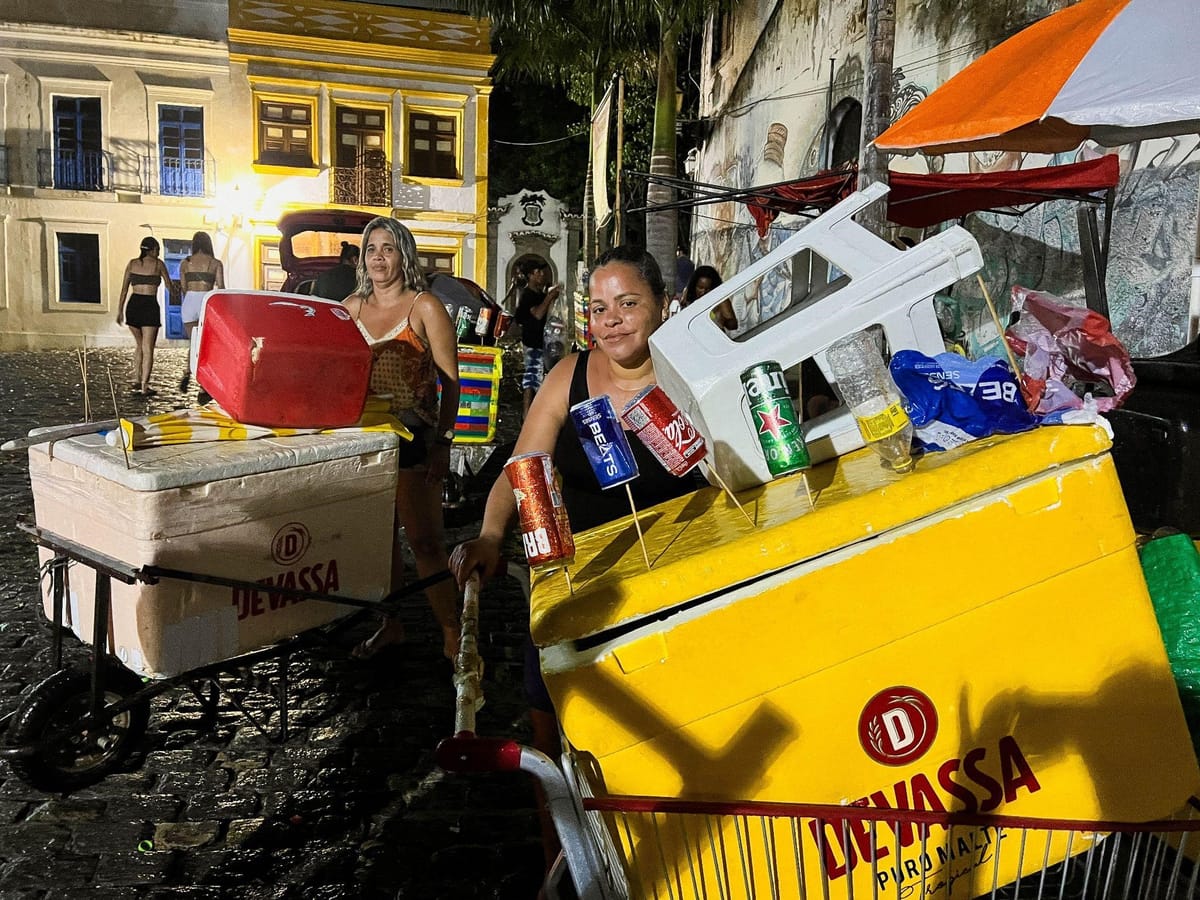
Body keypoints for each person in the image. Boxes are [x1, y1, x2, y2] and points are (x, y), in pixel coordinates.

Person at [449, 245, 701, 880]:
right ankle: (561, 864)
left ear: (661, 306)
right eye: (598, 307)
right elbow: (522, 465)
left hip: (671, 587)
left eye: (628, 303)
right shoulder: (570, 374)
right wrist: (488, 534)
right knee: (554, 745)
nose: (611, 320)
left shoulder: (691, 374)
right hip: (571, 586)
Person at [343, 216, 461, 661]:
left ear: (403, 255)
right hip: (365, 440)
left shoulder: (424, 307)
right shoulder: (350, 308)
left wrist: (443, 444)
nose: (378, 257)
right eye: (371, 248)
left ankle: (453, 634)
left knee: (427, 543)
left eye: (388, 248)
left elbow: (452, 381)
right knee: (381, 543)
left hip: (414, 437)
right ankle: (391, 625)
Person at [117, 236, 174, 395]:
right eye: (157, 249)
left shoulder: (132, 264)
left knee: (140, 344)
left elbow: (123, 290)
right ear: (151, 250)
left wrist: (120, 311)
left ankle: (136, 378)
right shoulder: (158, 264)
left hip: (133, 305)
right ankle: (144, 386)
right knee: (148, 348)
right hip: (149, 305)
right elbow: (170, 286)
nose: (159, 252)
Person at [512, 256, 560, 419]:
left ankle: (532, 414)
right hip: (532, 342)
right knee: (532, 377)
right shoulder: (528, 295)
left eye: (542, 271)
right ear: (530, 276)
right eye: (537, 272)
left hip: (539, 341)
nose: (542, 275)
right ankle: (529, 415)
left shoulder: (538, 293)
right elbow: (538, 314)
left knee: (535, 376)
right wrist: (550, 297)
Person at [178, 232, 225, 393]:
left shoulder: (185, 263)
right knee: (206, 345)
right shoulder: (215, 263)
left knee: (194, 341)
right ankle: (203, 386)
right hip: (206, 302)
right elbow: (221, 287)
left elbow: (183, 288)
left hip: (189, 301)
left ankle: (187, 370)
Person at [680, 264, 738, 332]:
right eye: (700, 288)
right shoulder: (688, 294)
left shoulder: (720, 300)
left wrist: (724, 320)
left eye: (707, 289)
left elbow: (734, 325)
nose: (703, 292)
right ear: (694, 285)